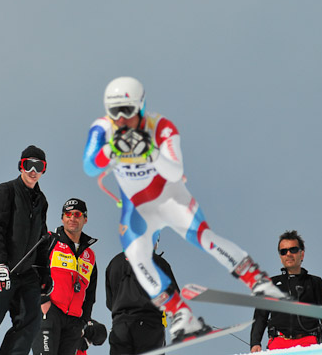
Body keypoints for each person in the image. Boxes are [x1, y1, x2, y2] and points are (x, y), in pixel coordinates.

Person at [82, 77, 285, 342]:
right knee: (137, 256)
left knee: (202, 237)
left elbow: (175, 170)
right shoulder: (103, 128)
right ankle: (180, 313)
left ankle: (255, 278)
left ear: (141, 107)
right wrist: (111, 149)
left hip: (169, 198)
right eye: (114, 112)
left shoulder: (161, 127)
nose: (121, 119)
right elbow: (89, 165)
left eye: (127, 111)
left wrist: (150, 152)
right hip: (138, 207)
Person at [0, 145, 50, 355]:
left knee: (31, 320)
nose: (33, 170)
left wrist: (44, 272)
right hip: (2, 270)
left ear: (43, 170)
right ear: (21, 166)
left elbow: (41, 237)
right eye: (28, 165)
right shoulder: (6, 191)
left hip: (26, 273)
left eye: (38, 166)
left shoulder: (41, 200)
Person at [32, 198, 97, 355]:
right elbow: (33, 270)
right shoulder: (50, 240)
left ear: (85, 219)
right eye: (68, 214)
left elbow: (90, 294)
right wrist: (42, 300)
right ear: (62, 218)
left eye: (77, 214)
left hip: (74, 321)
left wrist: (84, 321)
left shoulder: (89, 255)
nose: (72, 218)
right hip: (49, 311)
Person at [250, 230, 322, 352]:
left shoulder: (315, 282)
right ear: (280, 257)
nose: (288, 254)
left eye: (293, 250)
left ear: (302, 254)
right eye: (284, 251)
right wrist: (255, 343)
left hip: (309, 343)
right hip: (278, 343)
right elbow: (260, 317)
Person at [105, 246, 177, 355]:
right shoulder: (158, 262)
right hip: (148, 325)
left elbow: (110, 303)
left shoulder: (115, 262)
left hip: (120, 326)